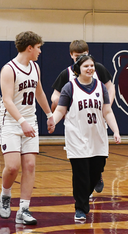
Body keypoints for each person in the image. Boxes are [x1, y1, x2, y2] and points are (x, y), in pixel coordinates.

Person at [49, 54, 121, 221]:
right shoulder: (70, 87)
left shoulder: (101, 87)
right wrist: (53, 120)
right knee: (81, 174)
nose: (90, 68)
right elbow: (61, 110)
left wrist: (115, 131)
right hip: (77, 137)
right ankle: (80, 207)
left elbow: (107, 111)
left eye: (91, 65)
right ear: (78, 70)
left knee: (96, 172)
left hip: (98, 136)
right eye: (86, 66)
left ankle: (83, 196)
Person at [0, 31, 55, 225]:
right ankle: (5, 195)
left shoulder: (35, 68)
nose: (40, 51)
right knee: (13, 167)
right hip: (12, 122)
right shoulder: (9, 69)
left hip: (30, 121)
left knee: (30, 165)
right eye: (38, 47)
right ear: (29, 48)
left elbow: (39, 92)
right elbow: (6, 100)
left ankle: (23, 209)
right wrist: (22, 121)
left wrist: (49, 115)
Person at [51, 40, 115, 194]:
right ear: (71, 56)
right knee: (81, 160)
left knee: (99, 156)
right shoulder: (66, 74)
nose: (82, 59)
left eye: (85, 56)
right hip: (78, 120)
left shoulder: (97, 68)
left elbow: (110, 86)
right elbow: (54, 96)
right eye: (78, 57)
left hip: (96, 117)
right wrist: (62, 104)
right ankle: (82, 199)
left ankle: (98, 174)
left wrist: (107, 105)